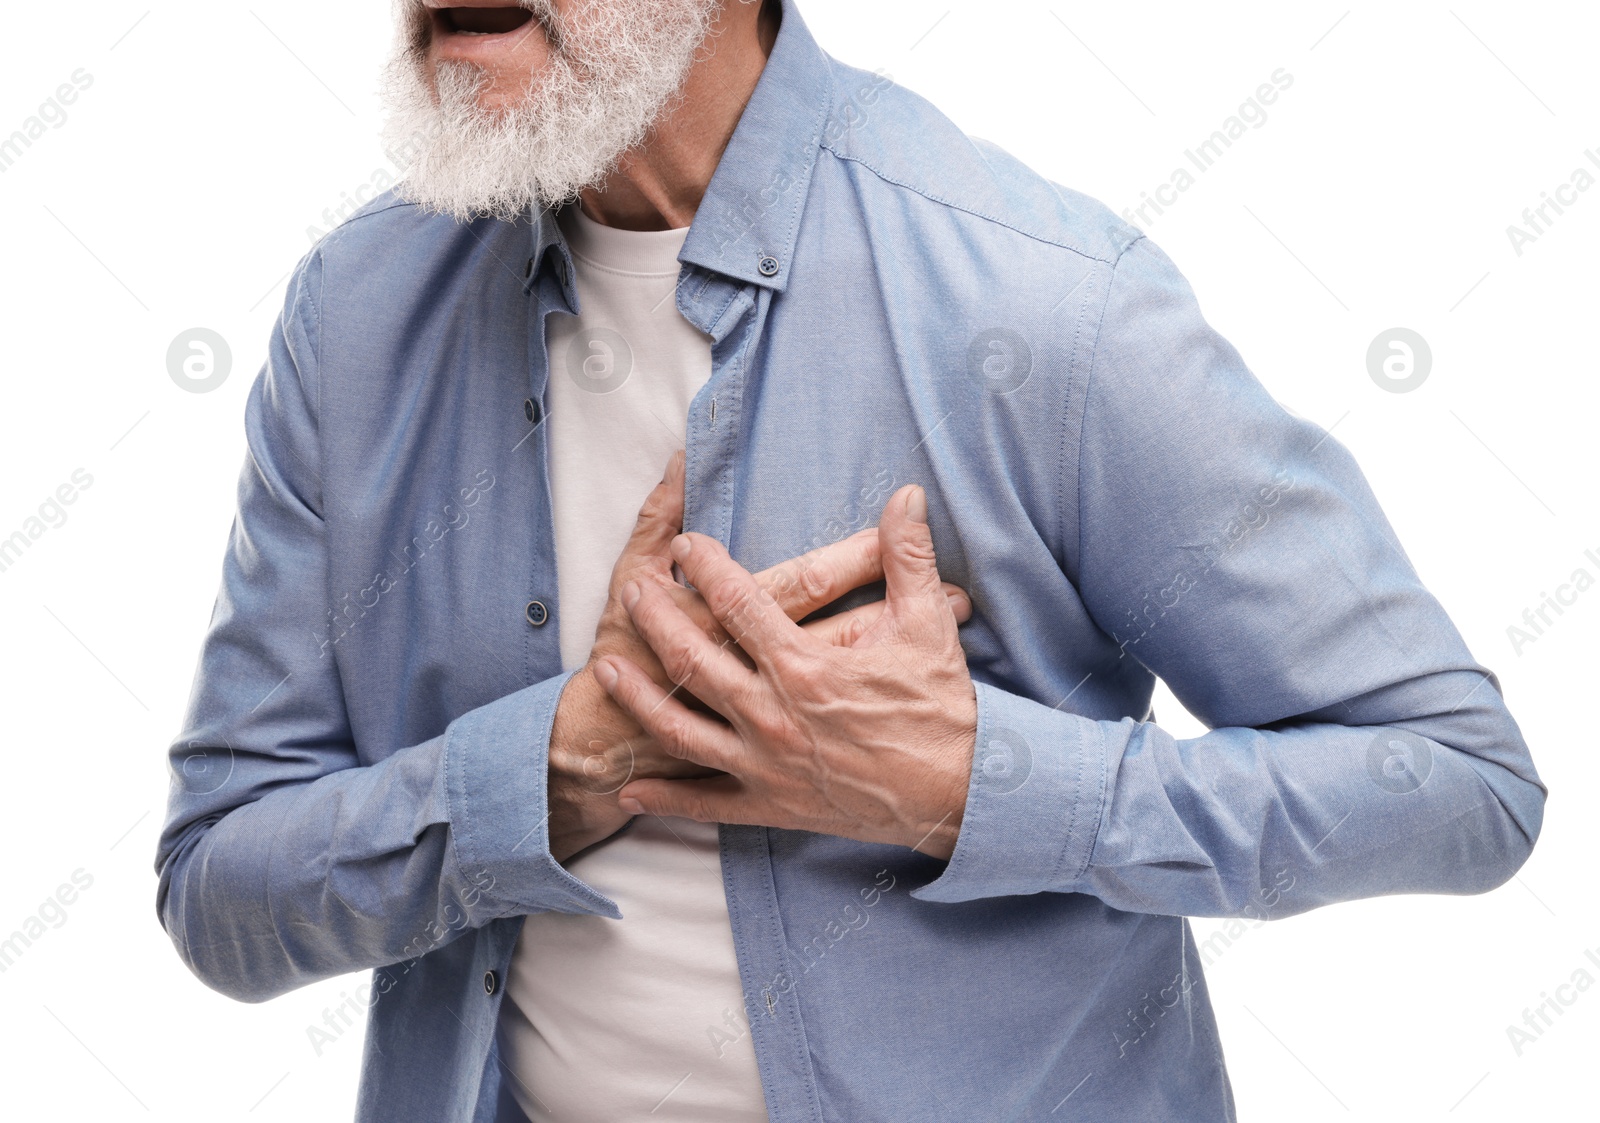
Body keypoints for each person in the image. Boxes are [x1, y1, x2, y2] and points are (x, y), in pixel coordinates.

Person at [156, 1, 1545, 1120]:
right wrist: (556, 765)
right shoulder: (353, 318)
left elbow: (1458, 784)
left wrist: (973, 786)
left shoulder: (1044, 301)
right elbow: (222, 883)